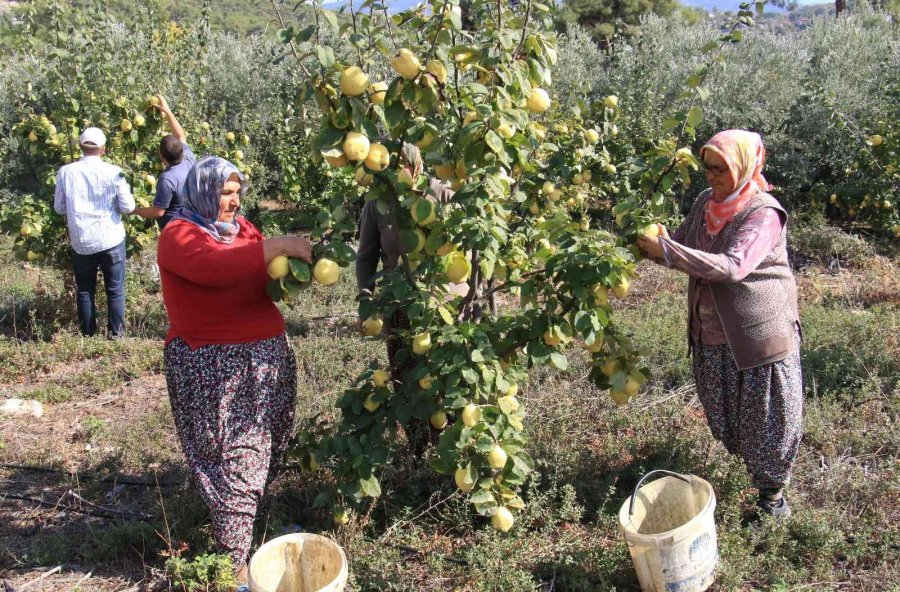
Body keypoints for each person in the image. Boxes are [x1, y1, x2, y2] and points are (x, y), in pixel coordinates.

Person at [157, 156, 312, 585]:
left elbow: (259, 276)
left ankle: (241, 525)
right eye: (225, 192)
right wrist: (277, 246)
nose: (233, 200)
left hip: (265, 359)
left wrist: (297, 270)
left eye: (237, 191)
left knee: (265, 446)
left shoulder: (243, 230)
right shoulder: (178, 234)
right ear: (203, 191)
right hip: (212, 363)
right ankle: (233, 565)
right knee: (235, 459)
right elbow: (215, 267)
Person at [638, 130, 803, 519]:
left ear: (744, 166)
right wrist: (652, 244)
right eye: (707, 168)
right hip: (710, 333)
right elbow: (681, 243)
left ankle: (772, 501)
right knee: (727, 415)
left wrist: (669, 250)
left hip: (758, 337)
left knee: (767, 420)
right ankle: (751, 478)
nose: (712, 176)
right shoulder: (704, 203)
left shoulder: (763, 214)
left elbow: (732, 267)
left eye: (721, 169)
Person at [355, 143, 456, 385]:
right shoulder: (378, 202)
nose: (396, 173)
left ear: (417, 165)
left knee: (449, 379)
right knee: (407, 377)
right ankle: (413, 424)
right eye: (391, 167)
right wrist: (365, 301)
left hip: (444, 302)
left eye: (403, 165)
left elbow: (467, 249)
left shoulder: (442, 194)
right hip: (399, 304)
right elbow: (366, 257)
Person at [54, 127, 135, 338]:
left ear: (81, 147)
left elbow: (59, 208)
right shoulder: (114, 171)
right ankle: (117, 335)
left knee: (85, 290)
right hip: (111, 238)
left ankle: (88, 335)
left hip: (82, 240)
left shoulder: (66, 172)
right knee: (115, 289)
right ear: (103, 149)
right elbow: (127, 206)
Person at [132, 94, 195, 229]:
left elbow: (158, 211)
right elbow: (181, 135)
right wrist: (167, 112)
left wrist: (134, 210)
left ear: (162, 157)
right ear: (182, 151)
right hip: (191, 223)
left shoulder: (167, 179)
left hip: (174, 230)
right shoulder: (189, 159)